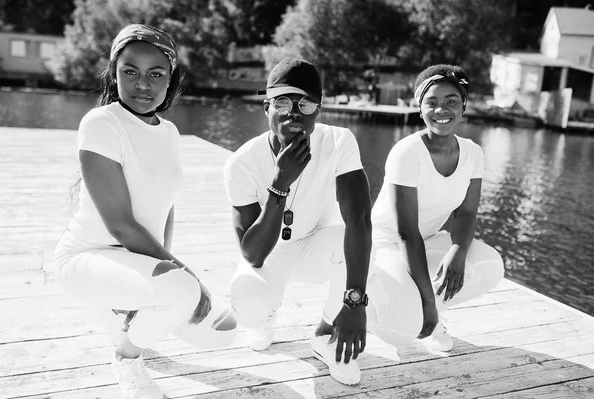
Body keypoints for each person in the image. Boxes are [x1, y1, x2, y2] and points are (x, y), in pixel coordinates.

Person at [53, 24, 237, 399]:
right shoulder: (101, 124)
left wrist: (162, 272)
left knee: (225, 330)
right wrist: (184, 277)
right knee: (185, 292)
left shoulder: (168, 132)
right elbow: (121, 225)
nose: (142, 84)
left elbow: (166, 208)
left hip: (137, 260)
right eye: (130, 71)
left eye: (156, 74)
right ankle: (126, 358)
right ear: (113, 73)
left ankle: (134, 309)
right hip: (87, 257)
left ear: (171, 80)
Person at [223, 58, 373, 385]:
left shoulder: (339, 142)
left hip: (314, 244)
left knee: (351, 241)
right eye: (283, 102)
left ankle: (325, 333)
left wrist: (354, 300)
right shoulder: (241, 163)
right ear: (266, 107)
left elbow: (360, 220)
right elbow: (253, 255)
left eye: (305, 104)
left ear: (318, 111)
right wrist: (280, 182)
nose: (294, 112)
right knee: (249, 304)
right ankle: (268, 312)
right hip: (269, 252)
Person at [368, 64, 505, 352]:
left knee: (491, 266)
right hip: (385, 243)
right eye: (432, 102)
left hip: (428, 238)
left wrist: (458, 249)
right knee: (402, 330)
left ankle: (418, 305)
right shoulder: (406, 152)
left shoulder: (472, 153)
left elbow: (467, 213)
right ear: (420, 109)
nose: (441, 109)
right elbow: (406, 232)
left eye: (451, 101)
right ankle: (369, 305)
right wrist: (430, 303)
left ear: (463, 106)